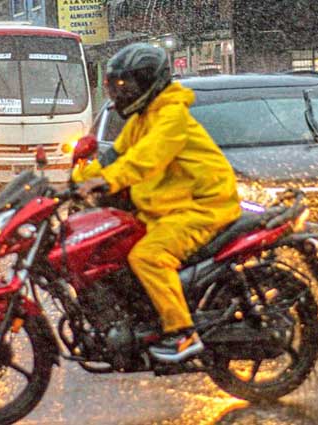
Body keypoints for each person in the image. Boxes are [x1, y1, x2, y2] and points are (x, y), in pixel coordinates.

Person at [73, 43, 241, 363]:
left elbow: (148, 157)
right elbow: (117, 157)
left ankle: (182, 333)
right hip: (167, 209)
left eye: (129, 86)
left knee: (149, 256)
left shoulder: (170, 116)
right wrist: (74, 182)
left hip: (203, 207)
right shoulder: (141, 118)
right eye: (117, 87)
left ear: (150, 82)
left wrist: (108, 181)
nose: (121, 94)